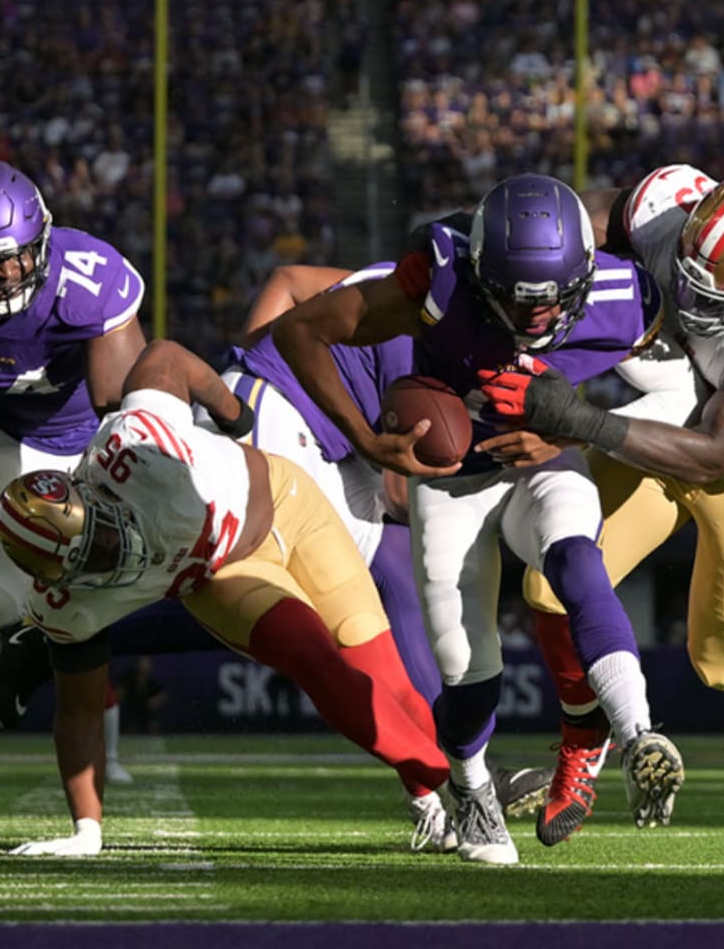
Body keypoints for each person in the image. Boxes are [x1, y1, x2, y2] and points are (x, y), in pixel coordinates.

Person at [271, 173, 684, 865]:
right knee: (469, 671)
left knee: (578, 558)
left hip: (540, 462)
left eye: (550, 305)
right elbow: (301, 329)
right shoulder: (438, 279)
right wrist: (369, 442)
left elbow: (677, 397)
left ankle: (638, 731)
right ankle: (471, 786)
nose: (535, 323)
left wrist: (575, 430)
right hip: (452, 478)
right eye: (516, 305)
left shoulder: (625, 298)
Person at [480, 166, 724, 844]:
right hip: (667, 412)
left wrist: (577, 420)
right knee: (550, 586)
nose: (686, 293)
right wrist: (487, 237)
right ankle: (580, 754)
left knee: (721, 666)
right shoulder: (665, 212)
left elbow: (713, 453)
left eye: (710, 290)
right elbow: (568, 223)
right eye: (686, 267)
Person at [0, 339, 472, 857]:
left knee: (387, 674)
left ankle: (431, 798)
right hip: (226, 573)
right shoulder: (70, 604)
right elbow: (80, 712)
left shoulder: (135, 447)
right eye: (91, 559)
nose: (110, 551)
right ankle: (463, 791)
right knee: (317, 662)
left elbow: (164, 358)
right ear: (61, 575)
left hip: (291, 503)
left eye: (103, 533)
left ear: (92, 496)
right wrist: (86, 830)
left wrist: (234, 415)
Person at [220, 260, 551, 816]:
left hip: (324, 443)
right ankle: (445, 782)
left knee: (387, 575)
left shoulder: (408, 279)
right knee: (282, 606)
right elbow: (401, 495)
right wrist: (261, 375)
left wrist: (249, 362)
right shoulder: (441, 339)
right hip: (285, 423)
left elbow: (286, 280)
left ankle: (454, 773)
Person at [0, 161, 139, 783]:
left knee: (103, 578)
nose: (10, 272)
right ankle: (20, 634)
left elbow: (125, 406)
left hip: (79, 439)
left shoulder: (84, 280)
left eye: (19, 256)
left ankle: (34, 641)